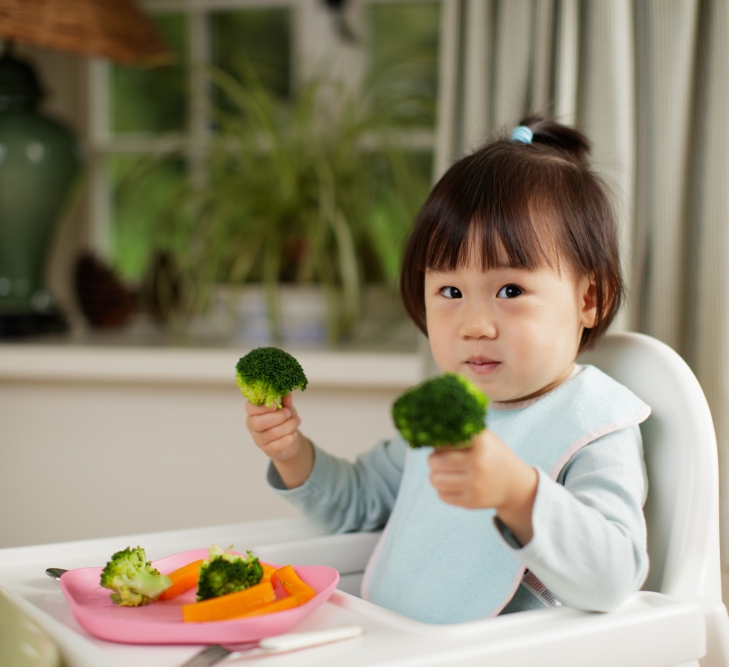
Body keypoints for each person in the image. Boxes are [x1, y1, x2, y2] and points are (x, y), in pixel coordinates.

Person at [244, 117, 651, 624]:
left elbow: (615, 576)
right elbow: (358, 503)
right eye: (450, 291)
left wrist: (518, 493)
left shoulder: (593, 423)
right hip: (405, 644)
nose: (474, 325)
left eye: (510, 290)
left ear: (589, 299)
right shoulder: (448, 411)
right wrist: (291, 453)